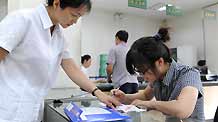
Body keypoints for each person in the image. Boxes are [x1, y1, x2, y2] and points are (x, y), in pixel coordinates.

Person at [0, 0, 120, 121]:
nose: (75, 21)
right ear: (57, 4)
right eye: (74, 15)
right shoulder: (23, 19)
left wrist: (98, 93)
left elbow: (71, 68)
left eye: (79, 17)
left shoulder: (58, 35)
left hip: (32, 110)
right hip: (8, 109)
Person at [112, 37, 205, 121]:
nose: (144, 77)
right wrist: (124, 97)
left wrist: (151, 104)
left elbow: (183, 110)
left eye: (145, 71)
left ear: (160, 62)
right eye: (140, 72)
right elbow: (145, 96)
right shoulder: (157, 76)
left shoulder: (189, 74)